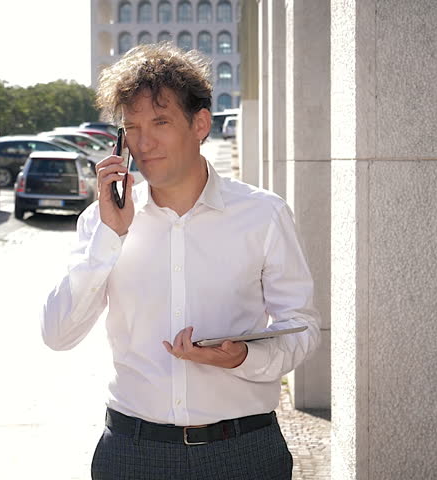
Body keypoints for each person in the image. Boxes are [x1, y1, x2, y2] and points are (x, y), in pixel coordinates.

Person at [41, 42, 320, 480]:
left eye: (161, 121)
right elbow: (57, 334)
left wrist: (243, 357)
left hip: (244, 452)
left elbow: (302, 329)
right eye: (131, 127)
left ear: (200, 124)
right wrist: (110, 237)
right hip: (133, 456)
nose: (144, 141)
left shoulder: (264, 215)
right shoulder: (102, 220)